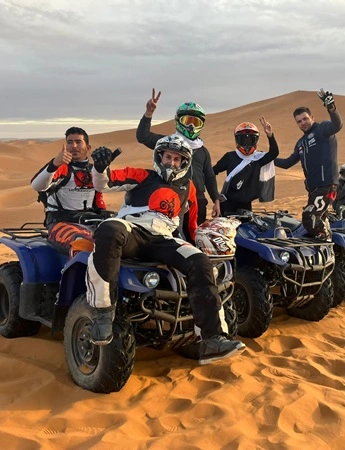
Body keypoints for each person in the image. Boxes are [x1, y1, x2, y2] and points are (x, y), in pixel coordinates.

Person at [85, 134, 246, 365]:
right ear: (159, 157)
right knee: (109, 228)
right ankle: (103, 313)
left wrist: (195, 244)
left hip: (164, 238)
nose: (172, 162)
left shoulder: (188, 188)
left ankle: (212, 340)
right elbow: (104, 183)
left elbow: (190, 226)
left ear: (184, 163)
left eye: (177, 159)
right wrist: (100, 168)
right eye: (168, 157)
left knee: (201, 261)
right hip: (133, 230)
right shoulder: (142, 175)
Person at [136, 89, 221, 225]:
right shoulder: (168, 143)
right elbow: (143, 137)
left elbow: (209, 177)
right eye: (187, 121)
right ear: (178, 121)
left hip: (198, 200)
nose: (191, 126)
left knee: (195, 238)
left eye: (196, 123)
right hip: (172, 197)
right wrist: (148, 114)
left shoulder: (202, 150)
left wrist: (216, 199)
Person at [274, 89, 343, 238]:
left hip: (326, 185)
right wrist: (268, 158)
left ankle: (327, 243)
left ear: (312, 117)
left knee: (309, 218)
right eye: (299, 121)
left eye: (305, 119)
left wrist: (332, 108)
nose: (303, 123)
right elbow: (287, 163)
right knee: (317, 220)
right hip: (313, 189)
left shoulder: (322, 129)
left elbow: (337, 125)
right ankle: (326, 251)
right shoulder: (301, 143)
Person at [30, 126, 108, 255]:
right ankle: (77, 274)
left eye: (78, 142)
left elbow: (103, 191)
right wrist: (55, 163)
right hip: (61, 224)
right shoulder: (62, 169)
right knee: (82, 243)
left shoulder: (94, 171)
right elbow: (37, 185)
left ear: (88, 148)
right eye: (70, 142)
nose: (74, 146)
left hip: (92, 222)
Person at [213, 118, 279, 215]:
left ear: (255, 140)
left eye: (250, 140)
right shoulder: (230, 157)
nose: (246, 143)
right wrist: (216, 195)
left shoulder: (258, 158)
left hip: (246, 205)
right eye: (243, 139)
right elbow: (212, 173)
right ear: (237, 140)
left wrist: (270, 135)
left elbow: (274, 153)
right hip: (227, 204)